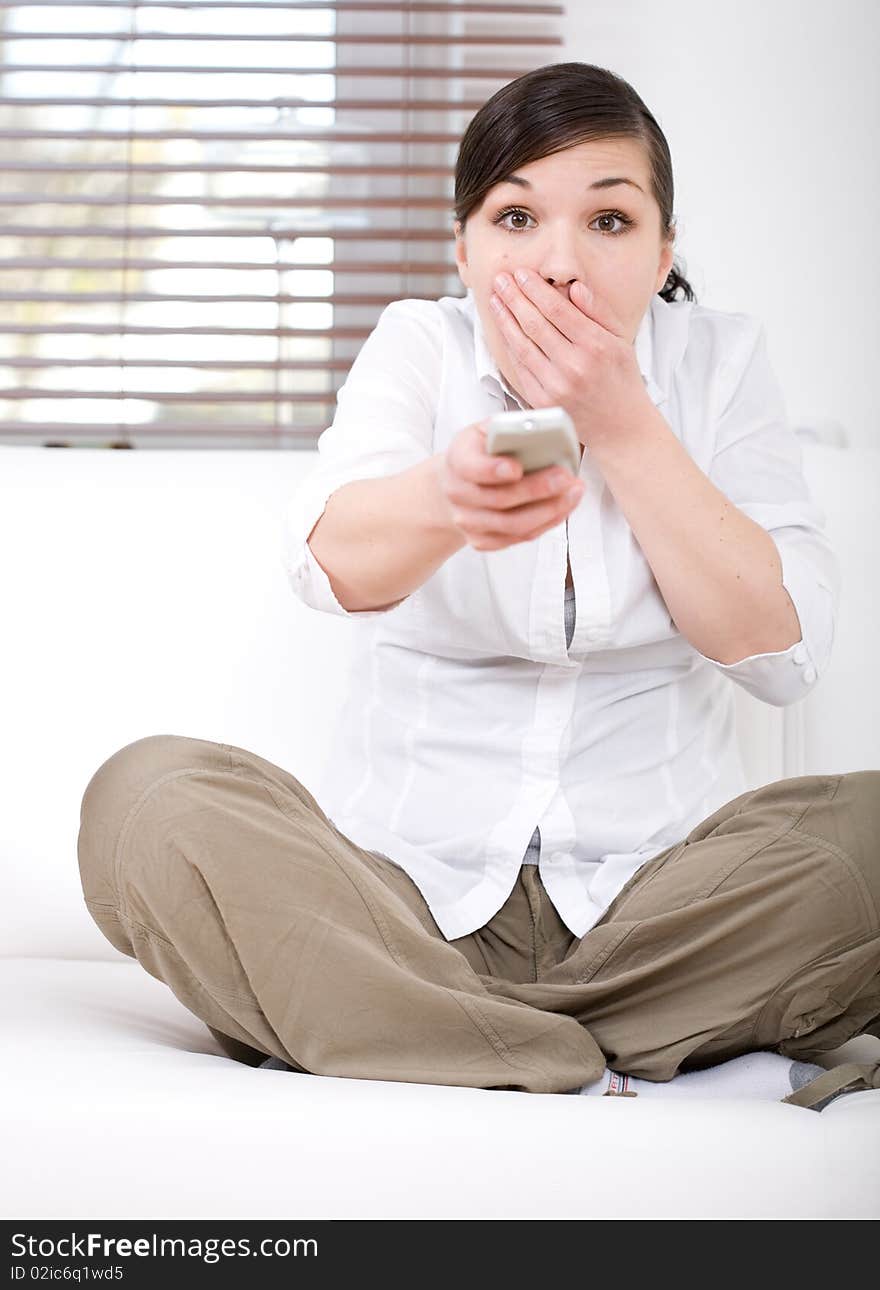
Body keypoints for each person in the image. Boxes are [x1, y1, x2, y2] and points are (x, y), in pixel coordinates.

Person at [77, 62, 880, 1110]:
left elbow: (779, 654)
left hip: (662, 907)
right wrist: (443, 501)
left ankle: (432, 1032)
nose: (558, 263)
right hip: (400, 902)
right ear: (463, 248)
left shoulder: (718, 365)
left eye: (607, 220)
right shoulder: (421, 345)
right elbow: (330, 562)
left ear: (662, 252)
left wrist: (625, 425)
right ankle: (582, 1051)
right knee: (143, 799)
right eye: (515, 217)